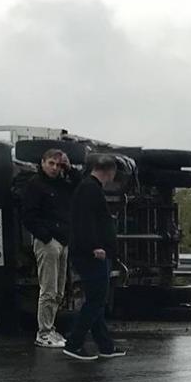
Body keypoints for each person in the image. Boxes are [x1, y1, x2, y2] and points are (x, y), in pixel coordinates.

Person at [62, 151, 126, 362]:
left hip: (87, 252)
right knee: (96, 300)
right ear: (110, 172)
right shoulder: (91, 190)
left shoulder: (86, 187)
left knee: (95, 300)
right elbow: (86, 222)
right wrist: (95, 247)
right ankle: (74, 342)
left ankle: (105, 345)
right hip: (92, 255)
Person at [18, 147, 75, 348]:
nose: (54, 168)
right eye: (50, 163)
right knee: (48, 289)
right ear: (43, 163)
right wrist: (46, 237)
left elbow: (79, 185)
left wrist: (69, 168)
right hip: (47, 241)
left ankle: (51, 328)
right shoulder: (35, 185)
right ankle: (43, 332)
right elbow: (28, 216)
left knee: (59, 290)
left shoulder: (63, 184)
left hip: (63, 240)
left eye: (58, 164)